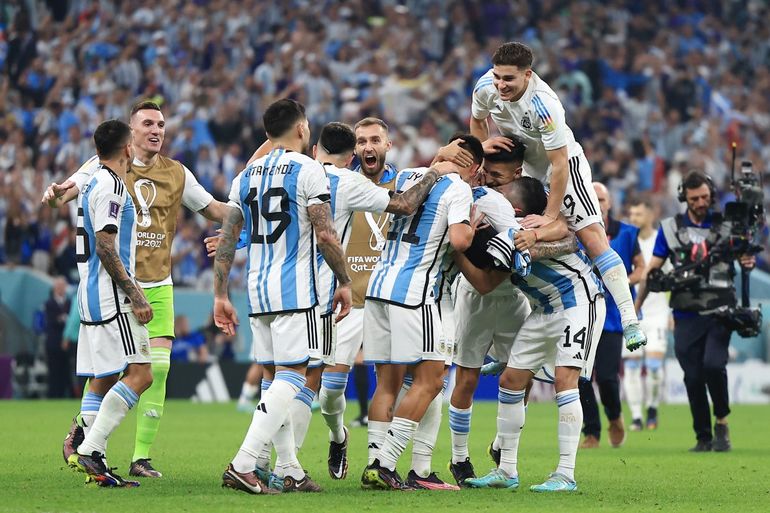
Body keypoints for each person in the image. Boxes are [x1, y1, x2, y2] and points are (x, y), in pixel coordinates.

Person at [47, 100, 230, 478]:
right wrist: (56, 194)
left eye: (161, 124)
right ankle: (86, 438)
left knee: (156, 370)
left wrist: (247, 214)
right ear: (130, 134)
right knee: (111, 372)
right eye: (148, 123)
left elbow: (213, 208)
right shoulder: (104, 167)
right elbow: (67, 190)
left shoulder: (177, 173)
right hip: (119, 285)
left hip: (156, 284)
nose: (157, 130)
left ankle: (139, 456)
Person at [213, 99, 352, 494]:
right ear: (303, 129)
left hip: (257, 291)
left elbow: (227, 238)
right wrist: (344, 280)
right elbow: (325, 233)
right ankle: (244, 463)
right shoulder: (310, 169)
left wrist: (220, 293)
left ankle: (289, 468)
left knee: (274, 378)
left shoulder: (245, 175)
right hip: (296, 292)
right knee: (293, 377)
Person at [470, 41, 646, 351]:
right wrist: (481, 151)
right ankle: (513, 341)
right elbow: (477, 119)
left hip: (562, 168)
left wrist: (551, 215)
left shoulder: (544, 105)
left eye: (508, 79)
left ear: (527, 74)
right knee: (511, 243)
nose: (500, 85)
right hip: (524, 169)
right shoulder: (485, 86)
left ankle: (630, 319)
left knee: (592, 238)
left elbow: (559, 163)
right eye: (497, 76)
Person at [455, 176, 605, 493]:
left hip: (578, 301)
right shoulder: (508, 228)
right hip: (542, 309)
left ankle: (565, 473)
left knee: (566, 379)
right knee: (511, 380)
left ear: (517, 207)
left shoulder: (521, 229)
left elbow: (569, 231)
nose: (496, 194)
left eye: (504, 193)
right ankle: (506, 470)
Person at [447, 139, 579, 486]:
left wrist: (536, 233)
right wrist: (478, 143)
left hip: (515, 298)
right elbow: (454, 159)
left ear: (516, 174)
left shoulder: (528, 198)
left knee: (517, 382)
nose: (487, 179)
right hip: (473, 297)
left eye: (496, 175)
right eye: (484, 172)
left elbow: (565, 227)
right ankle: (459, 459)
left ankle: (503, 447)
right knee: (466, 379)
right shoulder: (473, 191)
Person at [360, 135, 475, 491]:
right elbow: (458, 241)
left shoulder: (409, 176)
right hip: (415, 293)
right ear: (474, 168)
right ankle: (388, 464)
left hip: (378, 288)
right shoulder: (459, 189)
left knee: (388, 383)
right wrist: (472, 222)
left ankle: (373, 464)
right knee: (431, 380)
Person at [635, 171, 755, 452]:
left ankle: (722, 421)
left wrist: (747, 259)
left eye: (704, 196)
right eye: (694, 198)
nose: (701, 202)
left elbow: (745, 254)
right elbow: (651, 269)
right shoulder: (669, 228)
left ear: (711, 194)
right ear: (683, 198)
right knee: (692, 376)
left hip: (720, 310)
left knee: (714, 365)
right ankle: (703, 436)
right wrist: (636, 307)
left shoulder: (728, 225)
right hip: (685, 313)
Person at [66, 119, 153, 488]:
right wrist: (135, 293)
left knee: (103, 376)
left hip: (92, 294)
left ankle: (87, 451)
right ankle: (92, 447)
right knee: (141, 374)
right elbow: (105, 245)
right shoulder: (112, 186)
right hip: (113, 296)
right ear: (126, 148)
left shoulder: (94, 181)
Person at [579, 183, 644, 449]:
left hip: (614, 317)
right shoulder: (576, 231)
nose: (598, 202)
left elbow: (641, 268)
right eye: (592, 198)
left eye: (602, 198)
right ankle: (591, 431)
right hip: (582, 312)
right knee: (581, 378)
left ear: (609, 204)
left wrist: (622, 281)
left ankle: (615, 416)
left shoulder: (627, 233)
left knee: (606, 377)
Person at [624, 197, 672, 430]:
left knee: (654, 368)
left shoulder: (660, 241)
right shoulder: (627, 240)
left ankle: (652, 408)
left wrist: (671, 312)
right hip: (632, 314)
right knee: (631, 367)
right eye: (632, 214)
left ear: (651, 215)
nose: (634, 219)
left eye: (639, 214)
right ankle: (636, 416)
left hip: (658, 313)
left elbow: (672, 280)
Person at [44, 276, 73, 398]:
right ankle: (53, 395)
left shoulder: (70, 302)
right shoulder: (49, 303)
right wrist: (63, 319)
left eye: (63, 286)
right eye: (58, 286)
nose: (61, 288)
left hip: (67, 342)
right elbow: (51, 321)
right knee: (54, 370)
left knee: (66, 370)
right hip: (53, 342)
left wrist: (62, 319)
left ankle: (64, 394)